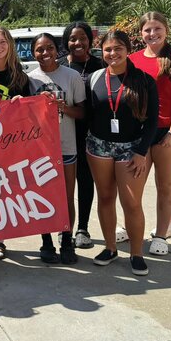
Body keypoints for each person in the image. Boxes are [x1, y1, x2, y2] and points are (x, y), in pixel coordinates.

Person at [86, 30, 158, 276]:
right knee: (105, 197)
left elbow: (152, 121)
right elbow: (87, 114)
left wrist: (141, 151)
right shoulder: (94, 78)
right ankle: (110, 248)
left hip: (132, 147)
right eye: (107, 49)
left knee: (131, 202)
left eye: (118, 48)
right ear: (101, 51)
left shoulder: (144, 80)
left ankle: (136, 253)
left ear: (128, 50)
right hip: (98, 145)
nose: (112, 53)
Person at [129, 12, 171, 256]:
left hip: (169, 132)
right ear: (141, 32)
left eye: (157, 29)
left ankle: (161, 235)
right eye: (147, 30)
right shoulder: (133, 60)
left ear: (166, 30)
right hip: (140, 133)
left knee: (166, 185)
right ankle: (131, 226)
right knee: (133, 186)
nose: (152, 34)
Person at [0, 25, 36, 259]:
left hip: (8, 144)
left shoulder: (20, 76)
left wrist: (24, 102)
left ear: (10, 45)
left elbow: (30, 112)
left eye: (2, 42)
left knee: (3, 190)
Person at [27, 32, 85, 265]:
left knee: (66, 196)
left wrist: (64, 107)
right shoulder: (29, 79)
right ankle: (47, 241)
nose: (45, 53)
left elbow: (82, 112)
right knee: (43, 195)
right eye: (40, 49)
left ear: (57, 49)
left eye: (49, 48)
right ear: (33, 53)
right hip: (39, 149)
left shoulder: (71, 76)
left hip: (66, 144)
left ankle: (67, 240)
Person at [60, 22, 106, 250]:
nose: (77, 43)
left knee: (85, 181)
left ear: (90, 40)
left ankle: (83, 229)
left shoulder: (101, 65)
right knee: (62, 185)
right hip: (63, 135)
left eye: (82, 38)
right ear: (66, 42)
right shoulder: (58, 66)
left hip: (91, 134)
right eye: (72, 39)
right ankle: (64, 227)